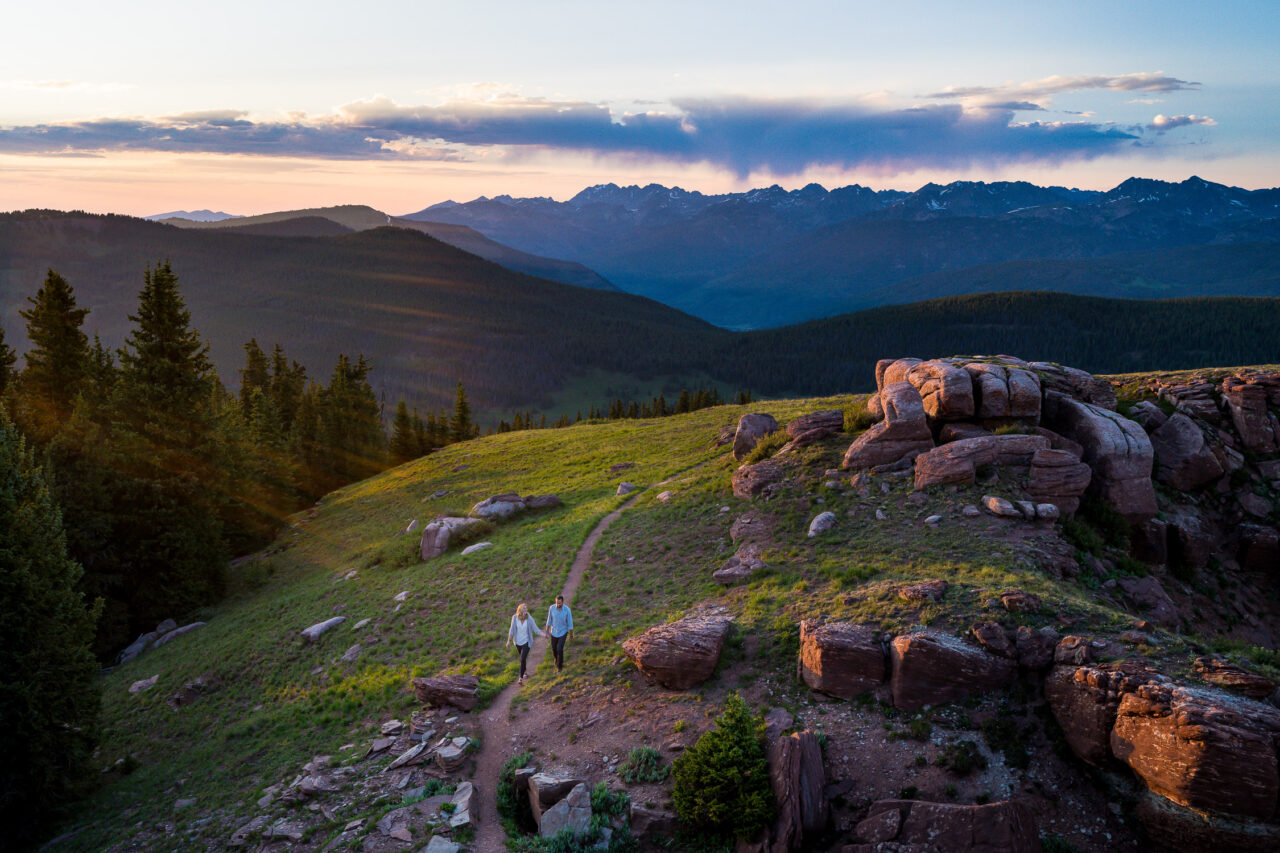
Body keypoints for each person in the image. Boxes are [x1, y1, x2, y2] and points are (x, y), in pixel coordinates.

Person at [505, 602, 543, 683]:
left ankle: (520, 678)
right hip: (517, 642)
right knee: (523, 659)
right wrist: (508, 641)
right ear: (520, 610)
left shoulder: (529, 618)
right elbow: (511, 630)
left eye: (526, 608)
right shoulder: (514, 617)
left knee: (522, 659)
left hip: (527, 641)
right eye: (524, 608)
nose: (526, 610)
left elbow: (536, 630)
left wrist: (544, 635)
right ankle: (525, 672)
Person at [546, 594, 574, 672]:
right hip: (554, 632)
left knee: (559, 649)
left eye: (560, 603)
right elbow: (549, 620)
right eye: (557, 603)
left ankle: (559, 666)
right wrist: (547, 632)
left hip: (563, 632)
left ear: (563, 602)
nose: (558, 604)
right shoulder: (552, 608)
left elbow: (570, 624)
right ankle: (556, 659)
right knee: (554, 649)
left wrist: (571, 636)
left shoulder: (567, 610)